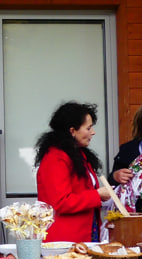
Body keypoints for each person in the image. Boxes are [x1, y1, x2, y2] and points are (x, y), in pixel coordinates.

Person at [35, 101, 111, 242]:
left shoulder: (78, 154)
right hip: (65, 239)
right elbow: (61, 202)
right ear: (72, 131)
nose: (93, 132)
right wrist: (97, 195)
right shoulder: (55, 158)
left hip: (85, 233)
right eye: (88, 128)